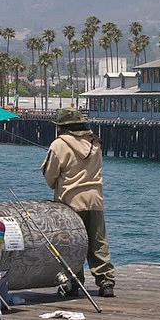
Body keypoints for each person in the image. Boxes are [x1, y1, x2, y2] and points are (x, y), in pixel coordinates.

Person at [41, 107, 116, 298]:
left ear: (62, 127)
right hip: (95, 198)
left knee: (72, 244)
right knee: (98, 242)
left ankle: (74, 282)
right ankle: (106, 282)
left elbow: (51, 177)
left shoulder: (59, 145)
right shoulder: (95, 142)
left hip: (70, 202)